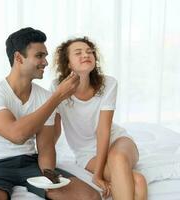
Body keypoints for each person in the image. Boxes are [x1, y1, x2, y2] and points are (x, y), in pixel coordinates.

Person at [0, 28, 100, 200]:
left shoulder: (45, 97)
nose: (45, 62)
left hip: (30, 162)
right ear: (18, 58)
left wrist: (49, 175)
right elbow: (17, 135)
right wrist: (58, 96)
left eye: (45, 56)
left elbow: (46, 147)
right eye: (39, 56)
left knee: (89, 197)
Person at [51, 37, 148, 200]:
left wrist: (97, 175)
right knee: (138, 180)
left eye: (89, 52)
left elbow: (104, 130)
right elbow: (54, 128)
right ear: (68, 63)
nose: (86, 55)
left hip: (117, 141)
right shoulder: (57, 87)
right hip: (86, 154)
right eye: (78, 52)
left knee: (117, 157)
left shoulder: (108, 83)